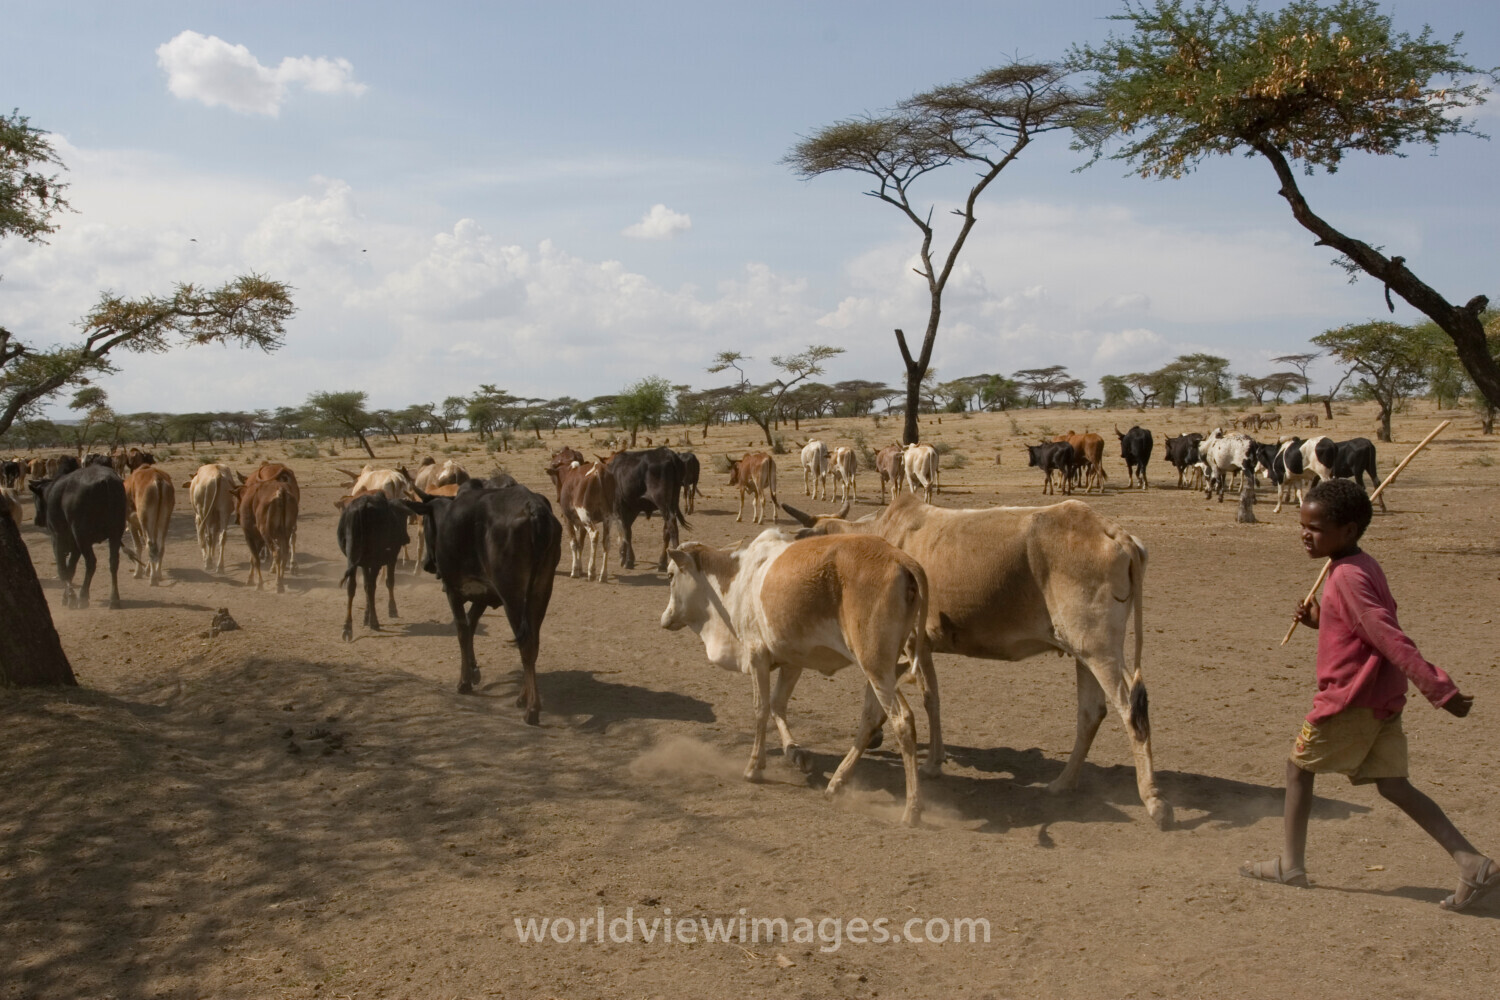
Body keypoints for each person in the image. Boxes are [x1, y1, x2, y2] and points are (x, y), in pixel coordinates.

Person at [1239, 478, 1498, 911]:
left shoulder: (1346, 578)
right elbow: (1358, 628)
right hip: (1381, 699)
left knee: (1298, 769)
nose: (1306, 534)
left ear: (1350, 530)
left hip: (1350, 699)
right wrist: (1321, 620)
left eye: (1316, 528)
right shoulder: (1360, 566)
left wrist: (1438, 687)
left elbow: (1388, 636)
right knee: (1395, 785)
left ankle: (1290, 865)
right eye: (1303, 526)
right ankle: (1473, 865)